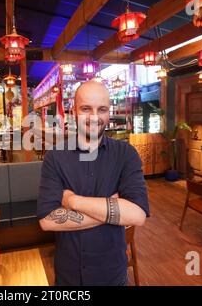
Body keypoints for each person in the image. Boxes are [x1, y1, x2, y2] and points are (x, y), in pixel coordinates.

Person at [37, 80, 149, 286]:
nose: (95, 117)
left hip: (113, 275)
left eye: (102, 109)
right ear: (73, 112)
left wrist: (72, 200)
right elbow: (47, 220)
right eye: (86, 108)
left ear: (109, 112)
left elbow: (137, 215)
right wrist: (113, 209)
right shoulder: (55, 157)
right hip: (68, 277)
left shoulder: (126, 154)